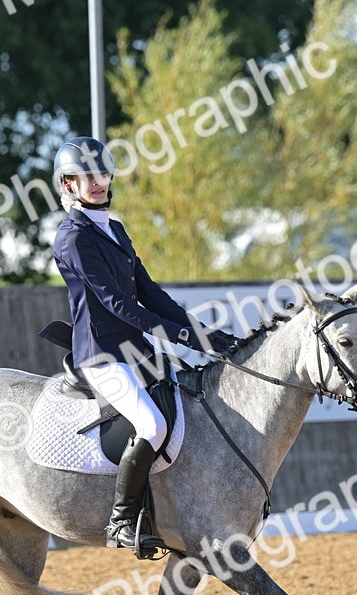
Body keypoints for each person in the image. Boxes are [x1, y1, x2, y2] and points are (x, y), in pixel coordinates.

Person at [51, 136, 238, 558]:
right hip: (102, 355)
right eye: (87, 177)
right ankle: (121, 519)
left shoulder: (114, 228)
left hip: (137, 350)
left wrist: (207, 336)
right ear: (68, 185)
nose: (98, 182)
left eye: (102, 173)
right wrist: (184, 338)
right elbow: (117, 305)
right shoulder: (73, 238)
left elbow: (149, 294)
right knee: (151, 426)